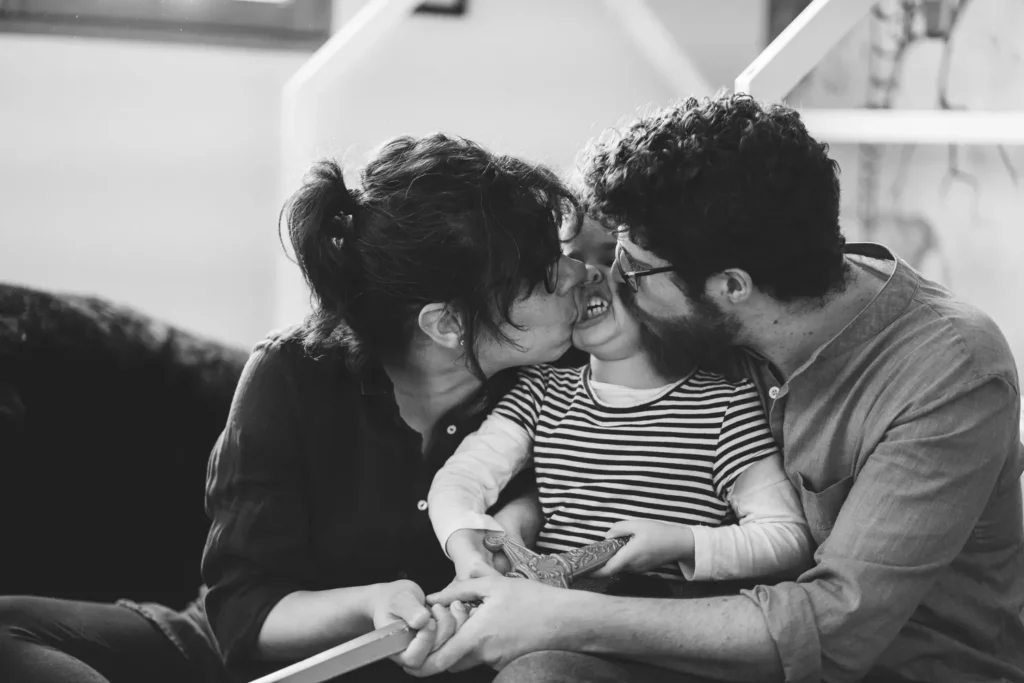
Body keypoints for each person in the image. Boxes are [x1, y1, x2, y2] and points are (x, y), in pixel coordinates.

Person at [411, 95, 1024, 683]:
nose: (611, 280)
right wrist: (526, 516)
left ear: (733, 286)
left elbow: (835, 630)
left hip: (904, 667)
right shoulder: (707, 310)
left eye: (633, 265)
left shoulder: (950, 371)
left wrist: (561, 618)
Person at [0, 132, 589, 683]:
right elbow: (242, 615)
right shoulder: (292, 375)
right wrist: (370, 604)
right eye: (542, 277)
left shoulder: (572, 373)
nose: (579, 274)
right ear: (447, 324)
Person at [428, 219, 813, 593]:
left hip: (656, 627)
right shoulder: (541, 393)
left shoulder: (726, 405)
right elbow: (461, 480)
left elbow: (787, 537)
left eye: (617, 258)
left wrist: (684, 543)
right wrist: (467, 547)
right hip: (546, 616)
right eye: (571, 257)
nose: (586, 274)